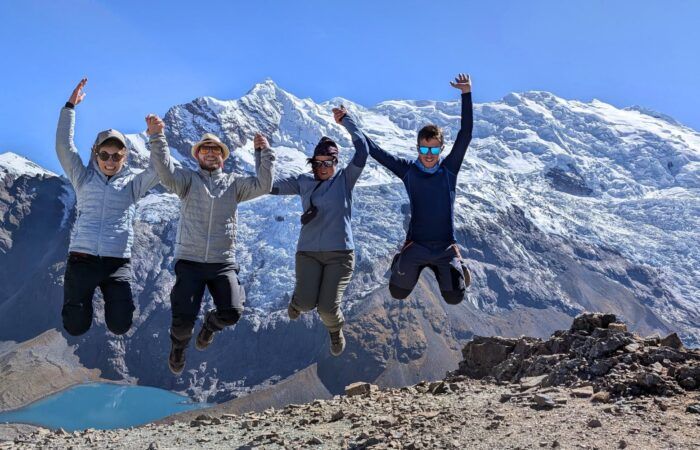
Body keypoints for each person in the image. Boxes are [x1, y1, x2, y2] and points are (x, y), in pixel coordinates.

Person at [146, 114, 275, 375]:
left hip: (222, 262)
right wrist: (157, 136)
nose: (211, 153)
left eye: (216, 150)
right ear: (197, 155)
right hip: (190, 262)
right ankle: (179, 348)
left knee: (233, 312)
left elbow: (264, 184)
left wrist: (263, 153)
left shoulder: (234, 185)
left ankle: (209, 326)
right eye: (205, 149)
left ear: (223, 157)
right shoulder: (186, 182)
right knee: (181, 324)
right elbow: (164, 170)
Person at [56, 78, 160, 336]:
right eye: (105, 154)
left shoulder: (133, 184)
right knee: (75, 326)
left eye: (116, 155)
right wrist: (70, 107)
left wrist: (157, 137)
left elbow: (159, 170)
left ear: (124, 157)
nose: (110, 161)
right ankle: (81, 308)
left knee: (121, 324)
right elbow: (63, 148)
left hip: (116, 263)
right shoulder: (83, 177)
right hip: (82, 259)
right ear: (96, 154)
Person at [363, 74, 474, 305]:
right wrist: (347, 122)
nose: (429, 156)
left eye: (434, 151)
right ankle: (400, 260)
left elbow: (466, 134)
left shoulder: (449, 171)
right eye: (424, 150)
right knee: (397, 293)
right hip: (417, 246)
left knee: (455, 297)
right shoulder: (408, 172)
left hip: (445, 248)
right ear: (417, 148)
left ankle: (458, 265)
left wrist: (466, 94)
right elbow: (376, 151)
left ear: (441, 150)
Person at [271, 106, 368, 356]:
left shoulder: (345, 180)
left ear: (336, 162)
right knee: (304, 304)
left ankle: (335, 331)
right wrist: (261, 156)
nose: (323, 167)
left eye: (329, 162)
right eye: (319, 162)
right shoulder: (303, 182)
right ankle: (296, 302)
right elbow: (269, 187)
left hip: (340, 255)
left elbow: (363, 151)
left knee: (327, 308)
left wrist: (347, 121)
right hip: (308, 254)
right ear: (313, 162)